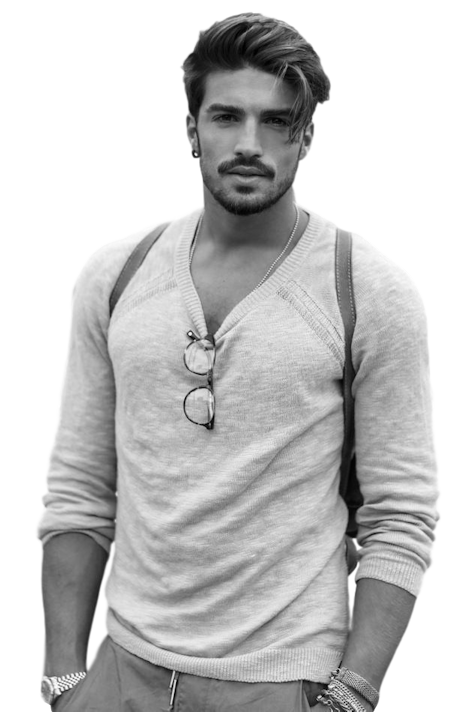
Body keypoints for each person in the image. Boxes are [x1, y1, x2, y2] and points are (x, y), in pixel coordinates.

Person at [36, 11, 441, 712]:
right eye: (227, 117)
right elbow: (79, 487)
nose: (249, 143)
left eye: (277, 122)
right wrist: (63, 677)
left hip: (281, 682)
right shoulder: (114, 273)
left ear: (306, 138)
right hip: (119, 672)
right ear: (193, 130)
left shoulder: (370, 289)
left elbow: (402, 513)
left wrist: (352, 695)